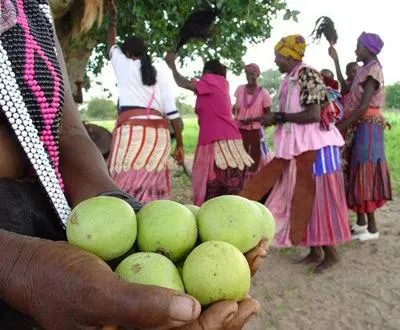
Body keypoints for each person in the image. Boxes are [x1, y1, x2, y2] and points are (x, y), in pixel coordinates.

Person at [0, 0, 266, 329]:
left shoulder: (35, 12)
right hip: (154, 136)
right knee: (149, 191)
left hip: (126, 139)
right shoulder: (161, 77)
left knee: (133, 193)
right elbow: (173, 116)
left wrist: (123, 208)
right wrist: (15, 265)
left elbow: (68, 131)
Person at [240, 35, 351, 273]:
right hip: (301, 148)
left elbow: (312, 114)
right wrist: (275, 119)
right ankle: (314, 250)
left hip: (317, 149)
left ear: (288, 55)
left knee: (318, 199)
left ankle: (331, 254)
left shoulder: (307, 74)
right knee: (302, 199)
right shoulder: (290, 78)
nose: (275, 60)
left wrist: (278, 117)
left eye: (278, 56)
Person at [106, 1, 184, 203]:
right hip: (159, 134)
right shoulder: (161, 71)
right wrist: (181, 146)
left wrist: (112, 19)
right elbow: (172, 113)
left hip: (131, 132)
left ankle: (126, 220)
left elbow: (111, 43)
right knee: (152, 184)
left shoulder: (122, 64)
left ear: (128, 53)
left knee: (124, 182)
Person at [165, 52, 254, 206]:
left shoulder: (211, 81)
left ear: (207, 72)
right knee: (230, 186)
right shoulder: (221, 84)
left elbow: (183, 83)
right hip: (227, 139)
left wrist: (172, 65)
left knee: (214, 187)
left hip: (216, 141)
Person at [330, 33, 392, 241]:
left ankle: (372, 229)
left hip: (368, 125)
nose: (356, 50)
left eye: (359, 46)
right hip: (360, 124)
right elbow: (347, 88)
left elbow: (364, 105)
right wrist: (336, 61)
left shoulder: (374, 70)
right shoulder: (364, 69)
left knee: (365, 170)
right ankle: (361, 222)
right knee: (356, 170)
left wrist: (341, 126)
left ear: (369, 49)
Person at [233, 63, 273, 183]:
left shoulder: (264, 94)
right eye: (247, 74)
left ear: (257, 75)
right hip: (240, 130)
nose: (249, 76)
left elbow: (268, 116)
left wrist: (254, 119)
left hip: (256, 131)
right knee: (240, 158)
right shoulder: (240, 89)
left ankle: (254, 185)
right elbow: (236, 108)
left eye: (252, 74)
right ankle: (240, 184)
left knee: (255, 159)